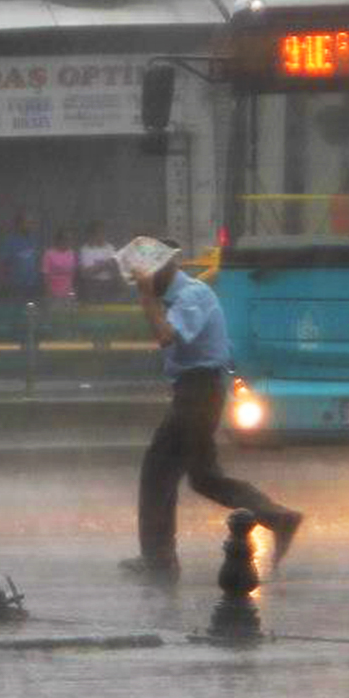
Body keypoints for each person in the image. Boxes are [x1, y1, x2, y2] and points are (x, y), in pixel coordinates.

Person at [118, 234, 302, 581]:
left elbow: (166, 336)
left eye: (146, 276)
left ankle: (159, 560)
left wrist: (145, 297)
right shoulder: (179, 297)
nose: (144, 285)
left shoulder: (191, 296)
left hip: (199, 392)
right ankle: (278, 517)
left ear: (166, 267)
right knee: (203, 478)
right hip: (195, 391)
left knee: (159, 471)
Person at [0, 208, 41, 302]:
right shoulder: (9, 241)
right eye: (28, 223)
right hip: (15, 286)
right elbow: (4, 263)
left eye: (32, 223)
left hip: (32, 285)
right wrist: (5, 282)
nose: (31, 226)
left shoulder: (33, 239)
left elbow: (36, 259)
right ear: (19, 224)